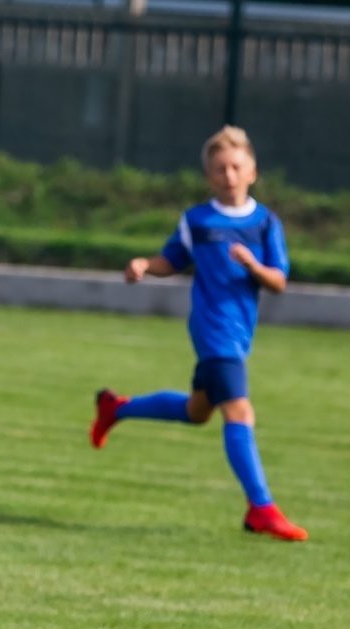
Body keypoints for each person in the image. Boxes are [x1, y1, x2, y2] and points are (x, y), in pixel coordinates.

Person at [90, 126, 306, 541]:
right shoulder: (197, 220)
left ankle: (116, 408)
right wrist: (143, 265)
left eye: (236, 167)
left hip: (239, 334)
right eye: (220, 168)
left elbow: (278, 281)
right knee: (239, 411)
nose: (228, 175)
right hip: (214, 331)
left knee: (197, 411)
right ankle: (261, 508)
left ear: (252, 172)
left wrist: (253, 266)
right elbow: (172, 259)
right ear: (209, 176)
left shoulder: (265, 224)